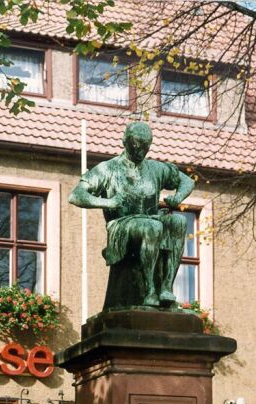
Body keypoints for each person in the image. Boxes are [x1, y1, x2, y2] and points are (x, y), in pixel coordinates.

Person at [69, 121, 195, 309]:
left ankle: (166, 288)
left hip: (152, 219)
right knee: (153, 227)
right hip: (121, 224)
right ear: (125, 141)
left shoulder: (155, 168)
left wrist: (177, 197)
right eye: (136, 144)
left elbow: (187, 181)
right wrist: (108, 202)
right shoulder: (108, 168)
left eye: (146, 146)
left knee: (178, 222)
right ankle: (149, 291)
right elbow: (76, 195)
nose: (141, 150)